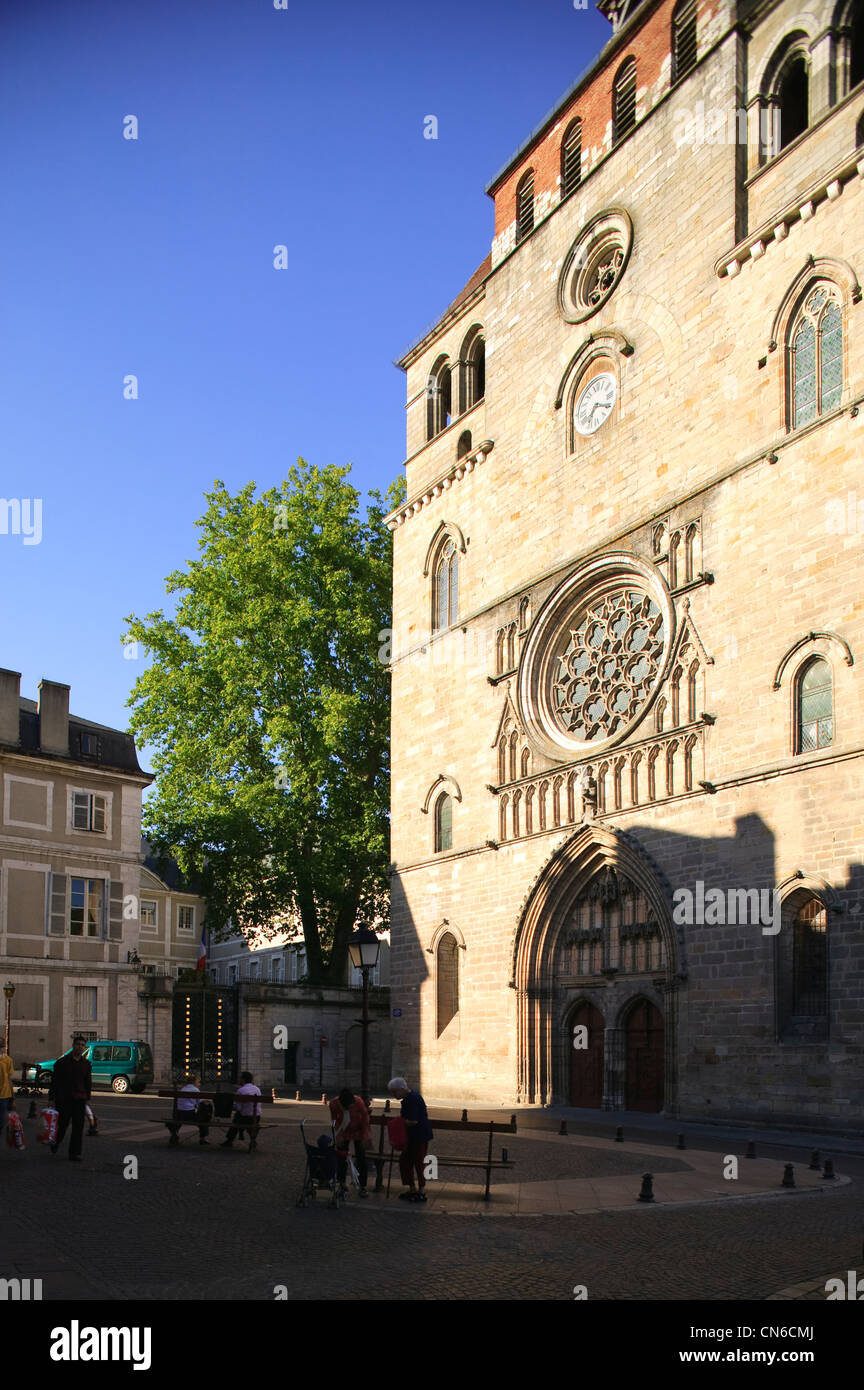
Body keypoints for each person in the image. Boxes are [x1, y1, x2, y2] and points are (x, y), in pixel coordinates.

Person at [387, 1077, 433, 1203]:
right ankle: (412, 1188)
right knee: (405, 1162)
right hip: (413, 1137)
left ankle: (421, 1190)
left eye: (395, 1092)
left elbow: (413, 1121)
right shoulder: (409, 1098)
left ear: (402, 1089)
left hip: (418, 1136)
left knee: (418, 1162)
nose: (393, 1094)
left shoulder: (412, 1099)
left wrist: (398, 1122)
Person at [50, 1034, 92, 1162]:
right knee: (62, 1125)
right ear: (73, 1046)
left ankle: (75, 1153)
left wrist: (87, 1097)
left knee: (78, 1127)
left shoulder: (86, 1064)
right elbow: (55, 1082)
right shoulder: (62, 1063)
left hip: (79, 1099)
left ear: (84, 1048)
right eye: (78, 1044)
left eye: (82, 1045)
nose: (80, 1047)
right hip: (64, 1099)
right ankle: (56, 1142)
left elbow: (87, 1081)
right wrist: (51, 1098)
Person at [329, 1087, 372, 1197]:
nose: (348, 1107)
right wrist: (338, 1136)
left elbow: (365, 1119)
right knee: (341, 1158)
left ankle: (363, 1186)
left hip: (358, 1130)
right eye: (346, 1106)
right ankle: (342, 1183)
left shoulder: (358, 1102)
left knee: (361, 1158)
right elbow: (334, 1120)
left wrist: (365, 1137)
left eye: (350, 1106)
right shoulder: (333, 1104)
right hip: (344, 1132)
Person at [220, 1071, 261, 1149]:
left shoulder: (241, 1090)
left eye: (240, 1078)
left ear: (243, 1079)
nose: (239, 1080)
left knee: (236, 1120)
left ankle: (229, 1140)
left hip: (244, 1118)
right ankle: (253, 1140)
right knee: (243, 1120)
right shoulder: (257, 1089)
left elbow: (239, 1108)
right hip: (256, 1117)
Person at [173, 1074, 210, 1145]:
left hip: (179, 1114)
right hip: (189, 1114)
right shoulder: (195, 1090)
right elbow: (199, 1104)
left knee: (178, 1122)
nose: (199, 1084)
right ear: (194, 1082)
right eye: (198, 1082)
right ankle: (203, 1138)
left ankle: (175, 1133)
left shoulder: (183, 1089)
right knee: (204, 1120)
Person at [0, 1041, 14, 1136]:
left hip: (4, 1094)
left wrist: (13, 1097)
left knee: (1, 1120)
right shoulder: (7, 1059)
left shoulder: (8, 1060)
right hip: (4, 1095)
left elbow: (9, 1079)